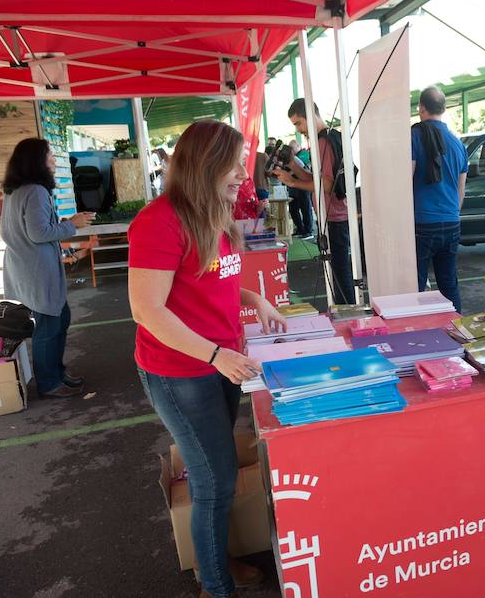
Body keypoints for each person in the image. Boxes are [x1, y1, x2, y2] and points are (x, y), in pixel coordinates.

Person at [128, 120, 286, 598]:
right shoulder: (159, 221)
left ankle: (217, 561)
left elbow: (206, 279)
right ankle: (215, 585)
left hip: (219, 362)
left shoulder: (214, 210)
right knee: (214, 478)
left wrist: (254, 301)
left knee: (214, 475)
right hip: (182, 371)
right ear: (206, 164)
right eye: (235, 163)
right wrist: (215, 354)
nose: (243, 173)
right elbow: (146, 308)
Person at [1, 138, 94, 398]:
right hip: (37, 271)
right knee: (48, 326)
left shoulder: (15, 190)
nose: (54, 160)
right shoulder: (35, 191)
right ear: (36, 161)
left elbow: (32, 228)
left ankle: (55, 373)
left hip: (26, 267)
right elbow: (39, 233)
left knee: (58, 318)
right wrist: (73, 224)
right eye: (50, 155)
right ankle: (50, 382)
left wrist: (64, 223)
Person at [273, 100, 355, 304]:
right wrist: (293, 165)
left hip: (334, 216)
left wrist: (292, 181)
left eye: (298, 123)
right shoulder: (328, 138)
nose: (299, 130)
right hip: (333, 215)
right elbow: (316, 179)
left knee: (340, 273)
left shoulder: (323, 143)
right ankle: (345, 310)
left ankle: (347, 314)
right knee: (338, 271)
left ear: (310, 115)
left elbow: (326, 185)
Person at [411, 86, 468, 312]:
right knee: (449, 284)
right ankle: (456, 332)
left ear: (421, 108)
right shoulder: (458, 144)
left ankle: (417, 335)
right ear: (444, 109)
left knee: (415, 286)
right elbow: (460, 191)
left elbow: (406, 178)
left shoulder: (414, 136)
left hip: (422, 222)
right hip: (451, 221)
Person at [285, 139, 314, 239]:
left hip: (304, 186)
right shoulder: (292, 158)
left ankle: (308, 230)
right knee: (294, 209)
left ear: (298, 145)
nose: (292, 151)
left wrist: (288, 175)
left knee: (305, 208)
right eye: (290, 149)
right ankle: (300, 229)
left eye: (293, 148)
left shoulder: (303, 154)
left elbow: (304, 169)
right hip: (294, 187)